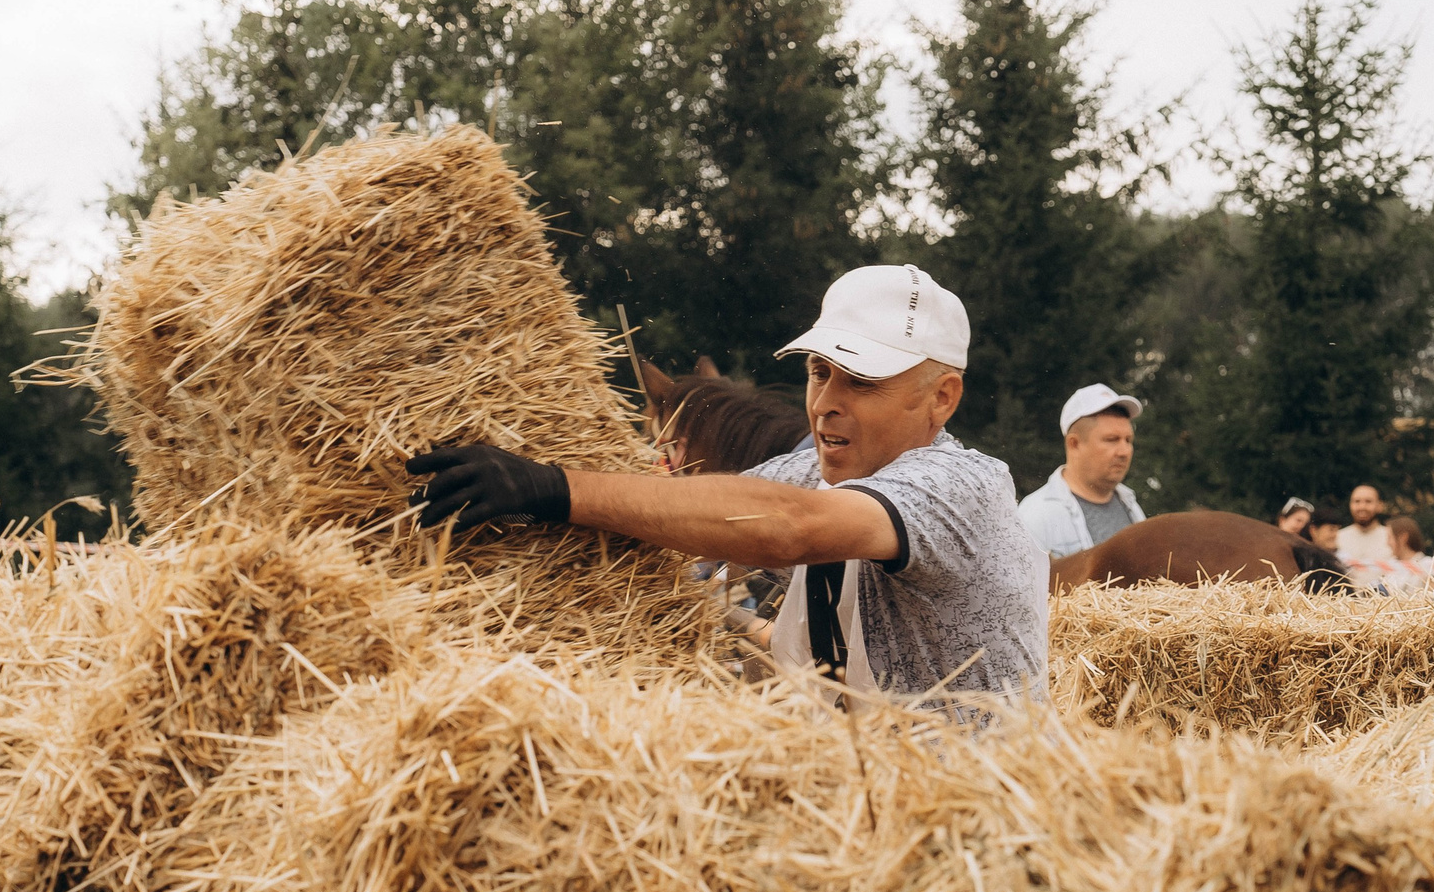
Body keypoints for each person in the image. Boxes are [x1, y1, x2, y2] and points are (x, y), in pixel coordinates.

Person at [407, 263, 1046, 701]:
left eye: (861, 382)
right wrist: (523, 511)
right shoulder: (814, 473)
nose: (825, 402)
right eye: (819, 372)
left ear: (942, 397)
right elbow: (691, 515)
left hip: (972, 821)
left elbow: (789, 527)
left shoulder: (964, 487)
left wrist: (556, 487)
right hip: (852, 809)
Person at [1017, 383, 1145, 559]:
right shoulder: (1036, 516)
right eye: (1111, 439)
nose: (1124, 452)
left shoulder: (1130, 505)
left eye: (1128, 440)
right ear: (1074, 444)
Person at [1335, 485, 1393, 567]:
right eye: (1357, 501)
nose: (1362, 507)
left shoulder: (1392, 538)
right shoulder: (1337, 538)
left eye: (1368, 501)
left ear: (1380, 506)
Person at [1378, 516, 1434, 593]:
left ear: (1403, 537)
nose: (1388, 543)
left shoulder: (1428, 565)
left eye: (1390, 537)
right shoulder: (1390, 564)